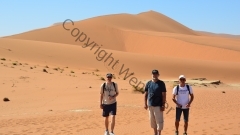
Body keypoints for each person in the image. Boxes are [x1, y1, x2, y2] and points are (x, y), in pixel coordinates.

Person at [144, 69, 167, 135]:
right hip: (150, 105)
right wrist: (145, 104)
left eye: (156, 74)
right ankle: (155, 133)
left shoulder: (161, 83)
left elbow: (164, 95)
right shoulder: (148, 83)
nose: (154, 75)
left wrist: (163, 105)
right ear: (151, 75)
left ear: (158, 75)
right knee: (152, 120)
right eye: (153, 74)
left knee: (159, 121)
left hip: (158, 106)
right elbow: (146, 94)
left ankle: (159, 133)